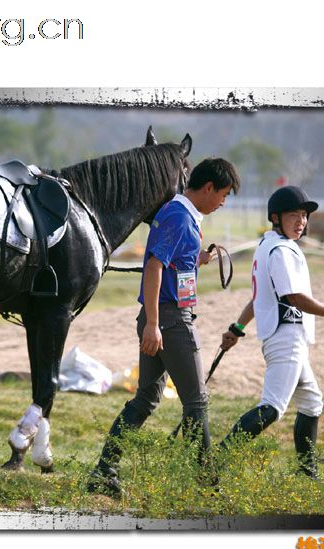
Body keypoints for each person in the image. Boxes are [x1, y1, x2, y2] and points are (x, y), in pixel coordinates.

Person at [87, 157, 241, 497]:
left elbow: (170, 262)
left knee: (146, 398)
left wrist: (197, 259)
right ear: (208, 188)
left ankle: (104, 471)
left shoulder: (182, 215)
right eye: (224, 195)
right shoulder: (178, 216)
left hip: (164, 318)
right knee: (196, 402)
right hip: (170, 320)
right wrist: (154, 324)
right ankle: (206, 483)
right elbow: (154, 267)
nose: (223, 202)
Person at [218, 186, 324, 479]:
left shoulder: (267, 247)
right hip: (287, 337)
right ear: (275, 217)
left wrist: (237, 327)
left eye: (304, 215)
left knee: (311, 402)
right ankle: (215, 463)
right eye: (294, 215)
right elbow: (294, 297)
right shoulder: (281, 250)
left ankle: (307, 473)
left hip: (287, 337)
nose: (301, 221)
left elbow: (258, 298)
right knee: (272, 408)